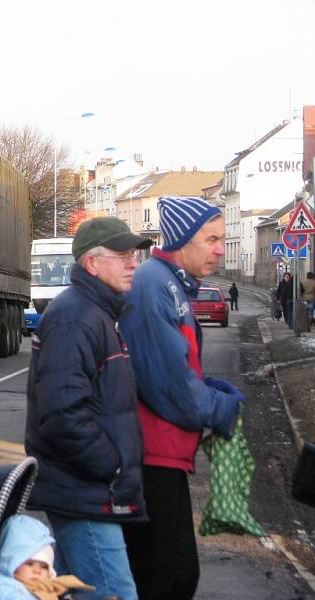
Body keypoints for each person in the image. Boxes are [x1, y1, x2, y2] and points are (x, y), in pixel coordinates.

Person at [119, 196, 245, 600]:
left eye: (222, 239)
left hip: (165, 458)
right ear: (182, 239)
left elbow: (178, 368)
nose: (219, 249)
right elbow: (169, 386)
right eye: (211, 239)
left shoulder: (169, 284)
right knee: (164, 580)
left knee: (177, 576)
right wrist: (220, 407)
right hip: (151, 459)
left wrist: (210, 388)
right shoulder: (156, 286)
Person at [25, 216, 152, 600]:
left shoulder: (97, 314)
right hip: (85, 491)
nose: (133, 263)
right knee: (114, 593)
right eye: (122, 255)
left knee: (67, 590)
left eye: (134, 255)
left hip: (88, 489)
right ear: (91, 264)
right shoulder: (76, 318)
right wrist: (110, 466)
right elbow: (61, 414)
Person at [0, 515, 95, 600]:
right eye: (29, 564)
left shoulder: (47, 589)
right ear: (10, 562)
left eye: (44, 567)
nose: (37, 571)